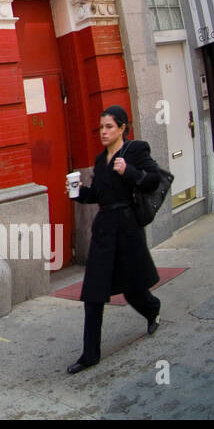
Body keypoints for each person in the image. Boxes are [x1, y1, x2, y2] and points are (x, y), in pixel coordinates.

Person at [67, 105, 163, 374]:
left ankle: (152, 309)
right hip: (104, 230)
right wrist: (77, 193)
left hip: (128, 229)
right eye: (101, 127)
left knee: (133, 289)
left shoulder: (136, 150)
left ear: (122, 128)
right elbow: (98, 194)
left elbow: (153, 180)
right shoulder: (100, 160)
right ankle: (90, 354)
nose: (103, 132)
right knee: (93, 293)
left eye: (109, 127)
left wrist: (129, 171)